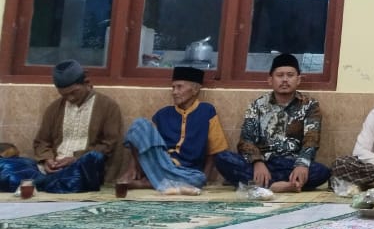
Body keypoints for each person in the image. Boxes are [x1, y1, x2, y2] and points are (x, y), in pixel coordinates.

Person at [214, 53, 330, 192]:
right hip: (263, 162)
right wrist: (257, 162)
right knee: (222, 158)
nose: (285, 80)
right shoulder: (257, 105)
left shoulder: (310, 106)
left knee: (322, 172)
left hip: (291, 164)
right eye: (280, 75)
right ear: (270, 80)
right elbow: (246, 140)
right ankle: (278, 185)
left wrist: (302, 164)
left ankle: (261, 184)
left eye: (290, 75)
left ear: (298, 79)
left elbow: (311, 140)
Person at [118, 66, 229, 194]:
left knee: (197, 179)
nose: (174, 92)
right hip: (161, 164)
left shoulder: (207, 111)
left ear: (195, 90)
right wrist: (132, 168)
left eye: (179, 87)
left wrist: (204, 178)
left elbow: (214, 151)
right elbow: (143, 142)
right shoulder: (162, 114)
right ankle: (154, 181)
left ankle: (148, 183)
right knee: (140, 123)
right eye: (173, 87)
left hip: (187, 171)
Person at [30, 60, 123, 193]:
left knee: (93, 158)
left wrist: (76, 159)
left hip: (84, 168)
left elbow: (109, 144)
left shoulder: (108, 107)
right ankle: (52, 182)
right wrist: (47, 160)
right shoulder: (54, 108)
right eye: (64, 95)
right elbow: (42, 141)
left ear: (87, 83)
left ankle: (47, 183)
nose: (70, 98)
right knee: (7, 165)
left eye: (74, 92)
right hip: (56, 167)